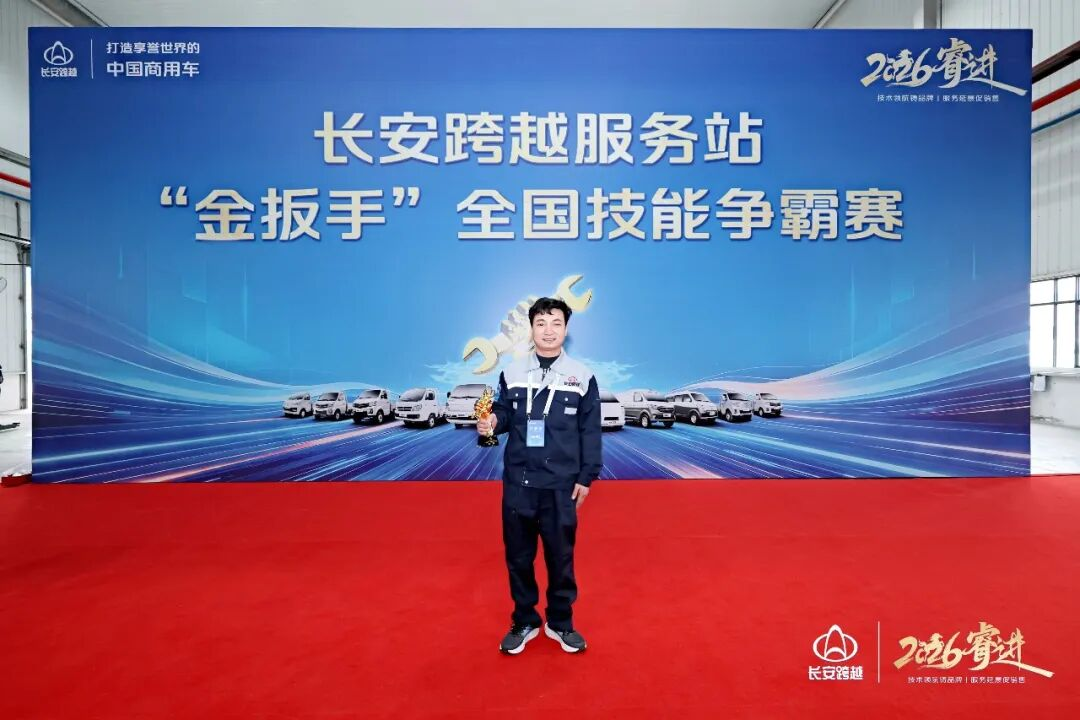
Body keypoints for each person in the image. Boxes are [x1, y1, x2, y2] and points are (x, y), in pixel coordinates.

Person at [477, 297, 602, 655]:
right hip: (519, 482)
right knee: (518, 557)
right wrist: (493, 421)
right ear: (531, 329)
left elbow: (590, 430)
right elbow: (504, 412)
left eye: (556, 323)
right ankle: (524, 620)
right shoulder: (513, 372)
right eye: (541, 323)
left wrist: (586, 476)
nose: (548, 331)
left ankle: (560, 622)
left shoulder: (582, 376)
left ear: (566, 328)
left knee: (560, 558)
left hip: (561, 485)